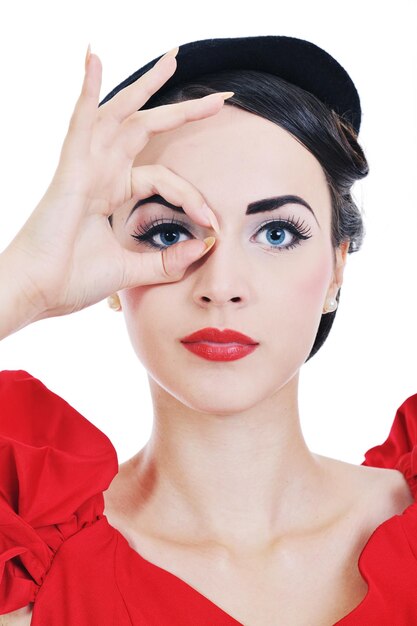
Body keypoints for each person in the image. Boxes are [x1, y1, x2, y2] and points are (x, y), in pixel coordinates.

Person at [1, 35, 417, 626]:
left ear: (337, 269)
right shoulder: (27, 566)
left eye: (276, 234)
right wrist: (24, 284)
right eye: (169, 232)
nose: (221, 286)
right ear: (111, 272)